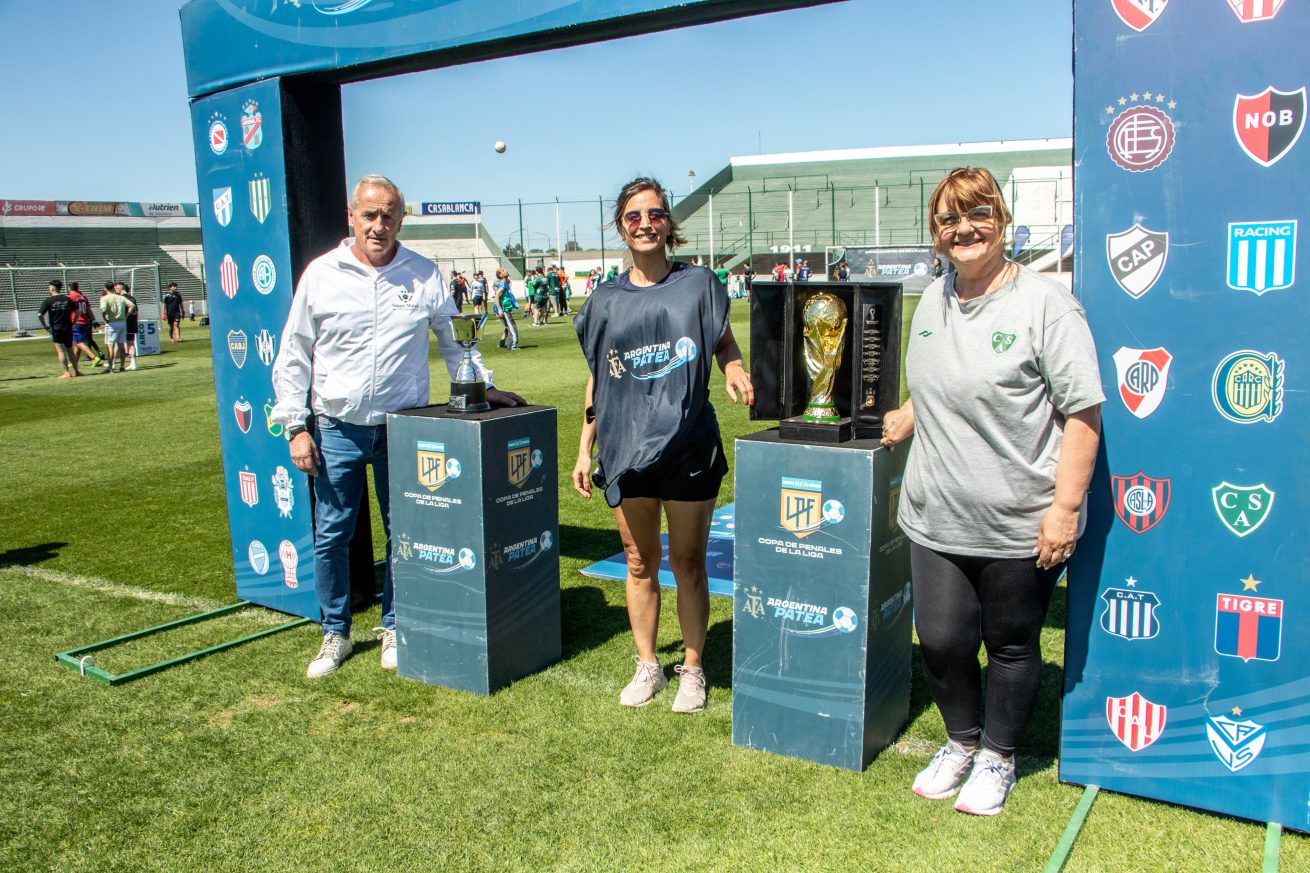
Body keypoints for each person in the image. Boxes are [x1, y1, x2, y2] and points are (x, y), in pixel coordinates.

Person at [880, 167, 1102, 816]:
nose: (963, 229)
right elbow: (941, 378)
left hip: (1018, 517)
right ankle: (960, 741)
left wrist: (1063, 510)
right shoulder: (933, 296)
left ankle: (998, 756)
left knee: (1010, 643)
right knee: (944, 639)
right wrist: (907, 413)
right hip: (935, 511)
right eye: (949, 220)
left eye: (978, 214)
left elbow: (1083, 413)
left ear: (1003, 222)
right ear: (936, 235)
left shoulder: (1045, 303)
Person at [271, 174, 525, 679]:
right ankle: (334, 633)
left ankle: (393, 624)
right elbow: (294, 352)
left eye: (389, 215)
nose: (379, 225)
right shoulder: (321, 274)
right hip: (335, 427)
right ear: (351, 216)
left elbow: (456, 343)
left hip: (404, 428)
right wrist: (295, 425)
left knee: (403, 533)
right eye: (370, 215)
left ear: (401, 219)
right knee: (332, 536)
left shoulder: (423, 273)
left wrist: (483, 384)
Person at [571, 176, 753, 714]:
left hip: (690, 445)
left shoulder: (699, 284)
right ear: (621, 227)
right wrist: (585, 448)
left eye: (655, 214)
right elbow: (599, 377)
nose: (645, 224)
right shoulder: (604, 299)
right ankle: (648, 664)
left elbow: (721, 337)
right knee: (637, 559)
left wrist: (734, 367)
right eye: (634, 217)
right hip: (625, 448)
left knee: (690, 561)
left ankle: (692, 669)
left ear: (669, 224)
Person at [37, 280, 81, 378]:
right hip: (68, 328)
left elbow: (40, 314)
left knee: (61, 351)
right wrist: (74, 322)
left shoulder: (48, 300)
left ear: (52, 288)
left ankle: (66, 372)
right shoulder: (68, 299)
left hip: (56, 328)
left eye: (49, 287)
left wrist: (44, 325)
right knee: (70, 350)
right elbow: (78, 311)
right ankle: (77, 371)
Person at [98, 281, 134, 374]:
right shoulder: (121, 297)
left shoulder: (104, 298)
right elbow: (132, 305)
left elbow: (104, 309)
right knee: (121, 345)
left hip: (112, 323)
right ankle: (122, 366)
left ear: (105, 289)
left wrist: (104, 316)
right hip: (122, 322)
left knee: (111, 346)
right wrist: (126, 315)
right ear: (113, 288)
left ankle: (110, 368)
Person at [67, 282, 105, 368]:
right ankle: (74, 362)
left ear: (70, 289)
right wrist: (94, 320)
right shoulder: (83, 297)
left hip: (76, 322)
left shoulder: (70, 297)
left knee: (78, 342)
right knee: (77, 343)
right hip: (86, 322)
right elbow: (89, 310)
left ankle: (94, 358)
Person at [492, 268, 520, 351]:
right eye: (503, 271)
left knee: (509, 327)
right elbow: (496, 297)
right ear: (500, 275)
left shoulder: (505, 282)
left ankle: (504, 343)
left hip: (505, 309)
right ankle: (513, 346)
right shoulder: (502, 285)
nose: (506, 271)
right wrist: (499, 310)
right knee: (512, 328)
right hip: (504, 310)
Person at [117, 282, 140, 371]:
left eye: (116, 289)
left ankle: (114, 363)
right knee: (131, 342)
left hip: (126, 322)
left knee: (124, 343)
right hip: (133, 322)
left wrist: (124, 317)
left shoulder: (122, 298)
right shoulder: (132, 298)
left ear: (120, 289)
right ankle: (133, 362)